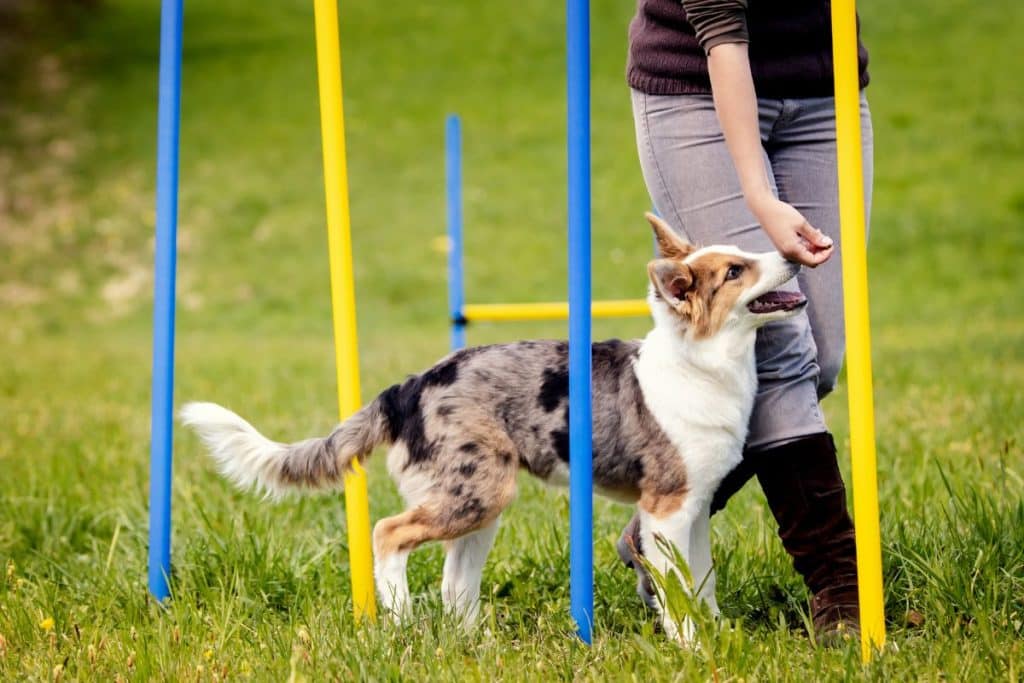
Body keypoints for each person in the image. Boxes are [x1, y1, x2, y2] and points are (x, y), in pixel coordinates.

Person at [617, 0, 872, 640]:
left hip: (824, 87)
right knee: (782, 352)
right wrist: (762, 199)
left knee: (823, 356)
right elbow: (723, 35)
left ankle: (661, 521)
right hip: (697, 88)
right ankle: (840, 592)